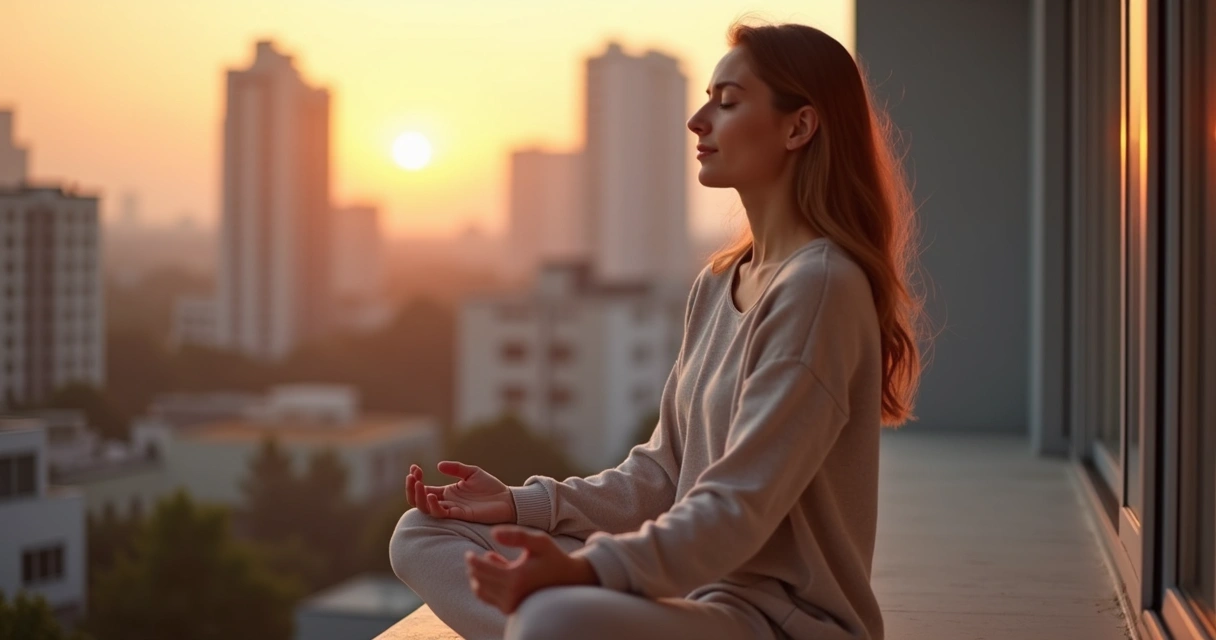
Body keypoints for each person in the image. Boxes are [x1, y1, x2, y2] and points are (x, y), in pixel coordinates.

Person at [389, 20, 923, 640]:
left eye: (727, 103)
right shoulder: (718, 283)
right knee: (425, 534)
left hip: (779, 624)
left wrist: (585, 573)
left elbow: (736, 508)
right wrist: (519, 503)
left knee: (555, 616)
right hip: (689, 604)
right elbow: (664, 475)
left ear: (799, 127)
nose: (699, 121)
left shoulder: (821, 287)